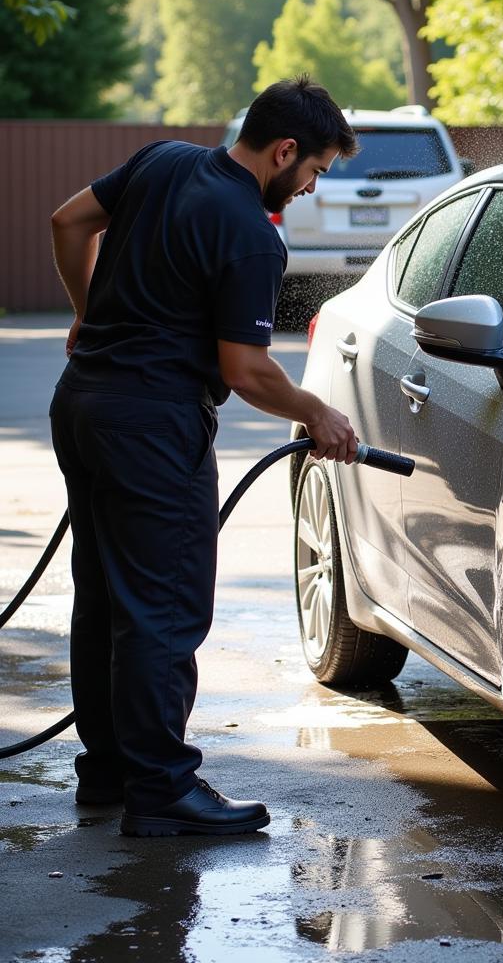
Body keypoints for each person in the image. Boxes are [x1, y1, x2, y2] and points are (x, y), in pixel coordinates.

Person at [48, 76, 359, 837]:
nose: (311, 188)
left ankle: (110, 774)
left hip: (83, 403)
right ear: (285, 150)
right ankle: (161, 791)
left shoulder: (162, 161)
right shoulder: (251, 231)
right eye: (314, 170)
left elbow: (67, 221)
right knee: (161, 610)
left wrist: (91, 315)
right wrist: (318, 412)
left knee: (106, 599)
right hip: (153, 428)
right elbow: (245, 370)